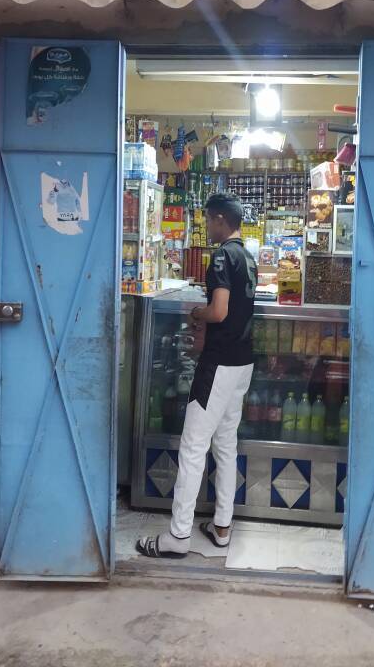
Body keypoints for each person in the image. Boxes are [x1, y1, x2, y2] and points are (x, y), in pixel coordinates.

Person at [136, 193, 258, 558]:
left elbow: (218, 311)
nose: (207, 226)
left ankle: (177, 537)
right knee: (225, 445)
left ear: (221, 219)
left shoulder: (222, 256)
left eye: (208, 219)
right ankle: (222, 526)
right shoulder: (249, 258)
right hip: (242, 364)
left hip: (218, 364)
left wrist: (197, 312)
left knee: (192, 448)